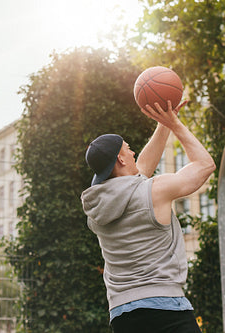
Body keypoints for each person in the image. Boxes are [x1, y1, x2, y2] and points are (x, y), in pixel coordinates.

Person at [81, 100, 216, 333]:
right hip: (166, 308)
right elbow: (204, 165)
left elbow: (139, 171)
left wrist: (162, 123)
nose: (133, 152)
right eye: (128, 148)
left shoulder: (97, 209)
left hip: (122, 314)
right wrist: (175, 124)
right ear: (121, 160)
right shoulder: (155, 190)